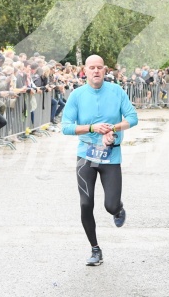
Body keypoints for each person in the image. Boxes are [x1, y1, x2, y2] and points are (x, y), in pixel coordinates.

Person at [61, 54, 138, 267]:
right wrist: (92, 128)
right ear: (84, 71)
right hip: (86, 155)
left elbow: (133, 118)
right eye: (92, 67)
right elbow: (65, 127)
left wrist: (113, 129)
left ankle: (118, 209)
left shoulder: (116, 91)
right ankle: (95, 249)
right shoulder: (77, 95)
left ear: (105, 70)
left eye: (100, 68)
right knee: (86, 204)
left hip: (110, 156)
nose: (96, 71)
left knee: (110, 206)